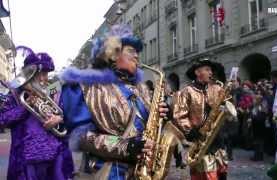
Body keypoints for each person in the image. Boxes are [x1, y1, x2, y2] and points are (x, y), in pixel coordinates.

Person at [59, 24, 168, 179]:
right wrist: (126, 147)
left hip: (142, 171)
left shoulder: (140, 88)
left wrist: (162, 114)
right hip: (109, 173)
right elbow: (81, 137)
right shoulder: (86, 86)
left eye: (137, 52)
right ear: (113, 54)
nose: (137, 56)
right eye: (131, 51)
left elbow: (149, 127)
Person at [0, 46, 74, 180]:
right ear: (32, 74)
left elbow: (68, 116)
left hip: (54, 156)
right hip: (26, 160)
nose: (45, 78)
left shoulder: (54, 91)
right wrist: (24, 107)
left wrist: (59, 119)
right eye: (42, 74)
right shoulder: (15, 94)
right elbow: (2, 120)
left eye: (47, 74)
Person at [172, 58, 228, 180]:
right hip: (200, 139)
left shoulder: (216, 88)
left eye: (211, 70)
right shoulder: (187, 91)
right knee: (204, 175)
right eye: (207, 70)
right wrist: (191, 131)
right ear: (197, 72)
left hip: (217, 139)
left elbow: (226, 105)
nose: (211, 73)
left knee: (222, 174)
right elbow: (179, 114)